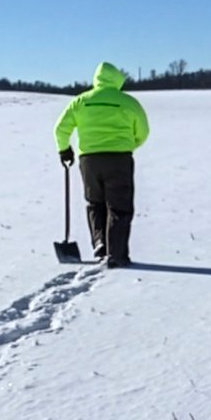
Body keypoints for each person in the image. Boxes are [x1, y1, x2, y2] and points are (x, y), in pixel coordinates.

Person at [54, 61, 149, 267]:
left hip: (89, 160)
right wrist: (130, 144)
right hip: (119, 159)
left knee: (95, 202)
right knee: (119, 207)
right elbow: (143, 131)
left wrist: (64, 150)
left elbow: (60, 129)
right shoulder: (128, 102)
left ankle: (100, 242)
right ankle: (117, 253)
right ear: (118, 79)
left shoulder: (81, 101)